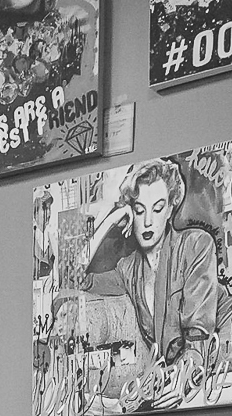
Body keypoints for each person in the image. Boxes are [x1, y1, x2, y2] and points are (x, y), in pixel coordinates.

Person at [83, 158, 220, 390]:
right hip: (170, 375)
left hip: (229, 335)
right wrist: (111, 221)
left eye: (157, 209)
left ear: (170, 209)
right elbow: (76, 278)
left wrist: (170, 383)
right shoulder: (127, 269)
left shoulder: (196, 244)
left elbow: (198, 341)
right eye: (139, 211)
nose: (147, 221)